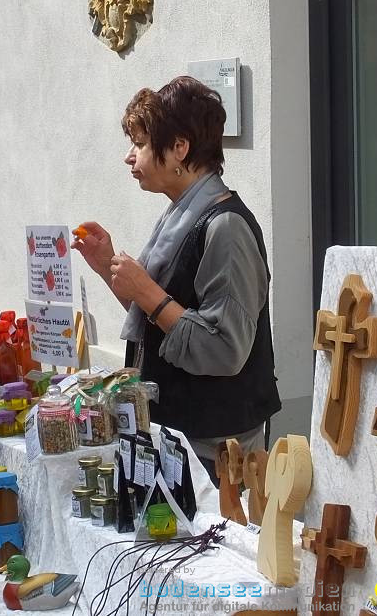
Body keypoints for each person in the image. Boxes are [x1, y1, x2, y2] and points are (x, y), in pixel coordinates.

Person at [72, 75, 281, 477]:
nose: (129, 157)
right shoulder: (180, 216)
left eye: (140, 144)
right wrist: (107, 265)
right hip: (177, 430)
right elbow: (164, 319)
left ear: (180, 147)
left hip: (217, 446)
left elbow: (223, 349)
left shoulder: (226, 228)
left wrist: (147, 291)